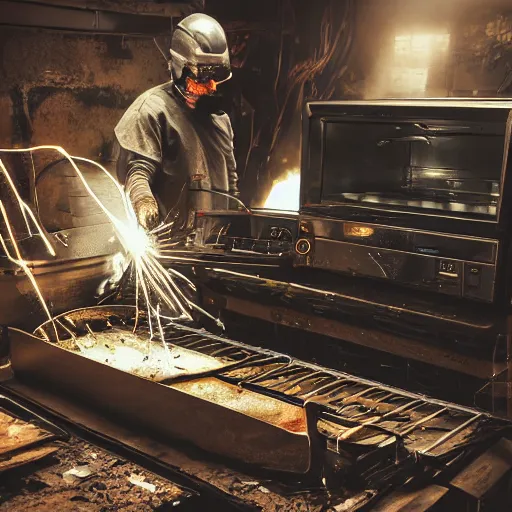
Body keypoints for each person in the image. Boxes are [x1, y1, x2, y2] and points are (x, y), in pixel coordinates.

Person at [114, 13, 239, 235]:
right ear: (179, 69)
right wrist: (144, 201)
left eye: (214, 80)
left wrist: (238, 224)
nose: (209, 88)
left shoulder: (220, 120)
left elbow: (231, 182)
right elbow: (138, 172)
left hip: (216, 246)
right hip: (172, 248)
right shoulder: (151, 112)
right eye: (200, 81)